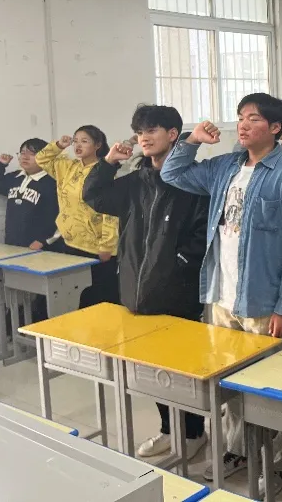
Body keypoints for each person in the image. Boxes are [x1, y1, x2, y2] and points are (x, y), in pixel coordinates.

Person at [161, 93, 282, 482]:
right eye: (240, 117)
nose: (243, 125)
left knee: (270, 388)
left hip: (262, 300)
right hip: (221, 296)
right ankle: (238, 450)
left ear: (275, 128)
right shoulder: (225, 166)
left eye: (253, 119)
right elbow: (172, 172)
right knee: (228, 385)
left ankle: (280, 459)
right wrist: (192, 140)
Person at [82, 105, 208, 461]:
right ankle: (169, 429)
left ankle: (193, 432)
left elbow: (202, 235)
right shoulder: (138, 181)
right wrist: (109, 163)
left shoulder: (192, 181)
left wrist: (176, 264)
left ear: (173, 134)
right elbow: (94, 197)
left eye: (152, 130)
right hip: (137, 291)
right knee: (153, 370)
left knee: (182, 368)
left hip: (177, 292)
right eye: (140, 132)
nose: (144, 138)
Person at [0, 138, 59, 349]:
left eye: (31, 153)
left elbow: (59, 216)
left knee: (38, 294)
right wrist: (0, 164)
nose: (25, 157)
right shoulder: (16, 178)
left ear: (45, 156)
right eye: (22, 152)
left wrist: (44, 240)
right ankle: (11, 328)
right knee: (14, 291)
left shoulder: (52, 182)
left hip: (40, 248)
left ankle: (34, 332)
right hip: (13, 245)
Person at [36, 126, 119, 308]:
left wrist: (107, 245)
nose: (77, 145)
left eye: (84, 141)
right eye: (75, 141)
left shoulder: (104, 171)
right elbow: (41, 159)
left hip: (96, 247)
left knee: (99, 299)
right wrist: (59, 145)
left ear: (97, 145)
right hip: (71, 242)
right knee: (75, 299)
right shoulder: (68, 167)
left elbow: (112, 212)